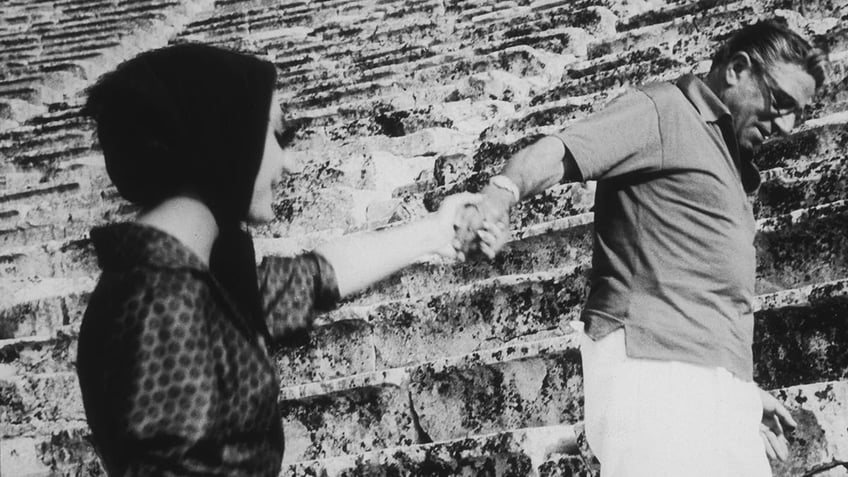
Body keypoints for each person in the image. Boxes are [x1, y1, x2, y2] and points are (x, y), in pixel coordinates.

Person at [76, 43, 505, 476]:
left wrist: (435, 230)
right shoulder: (163, 304)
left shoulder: (179, 283)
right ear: (225, 138)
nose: (291, 162)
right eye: (275, 136)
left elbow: (312, 278)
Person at [458, 20, 827, 476]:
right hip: (655, 373)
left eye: (799, 114)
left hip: (711, 384)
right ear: (737, 69)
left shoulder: (728, 158)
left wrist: (735, 390)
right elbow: (558, 152)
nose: (788, 126)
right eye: (781, 102)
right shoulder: (664, 110)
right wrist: (499, 195)